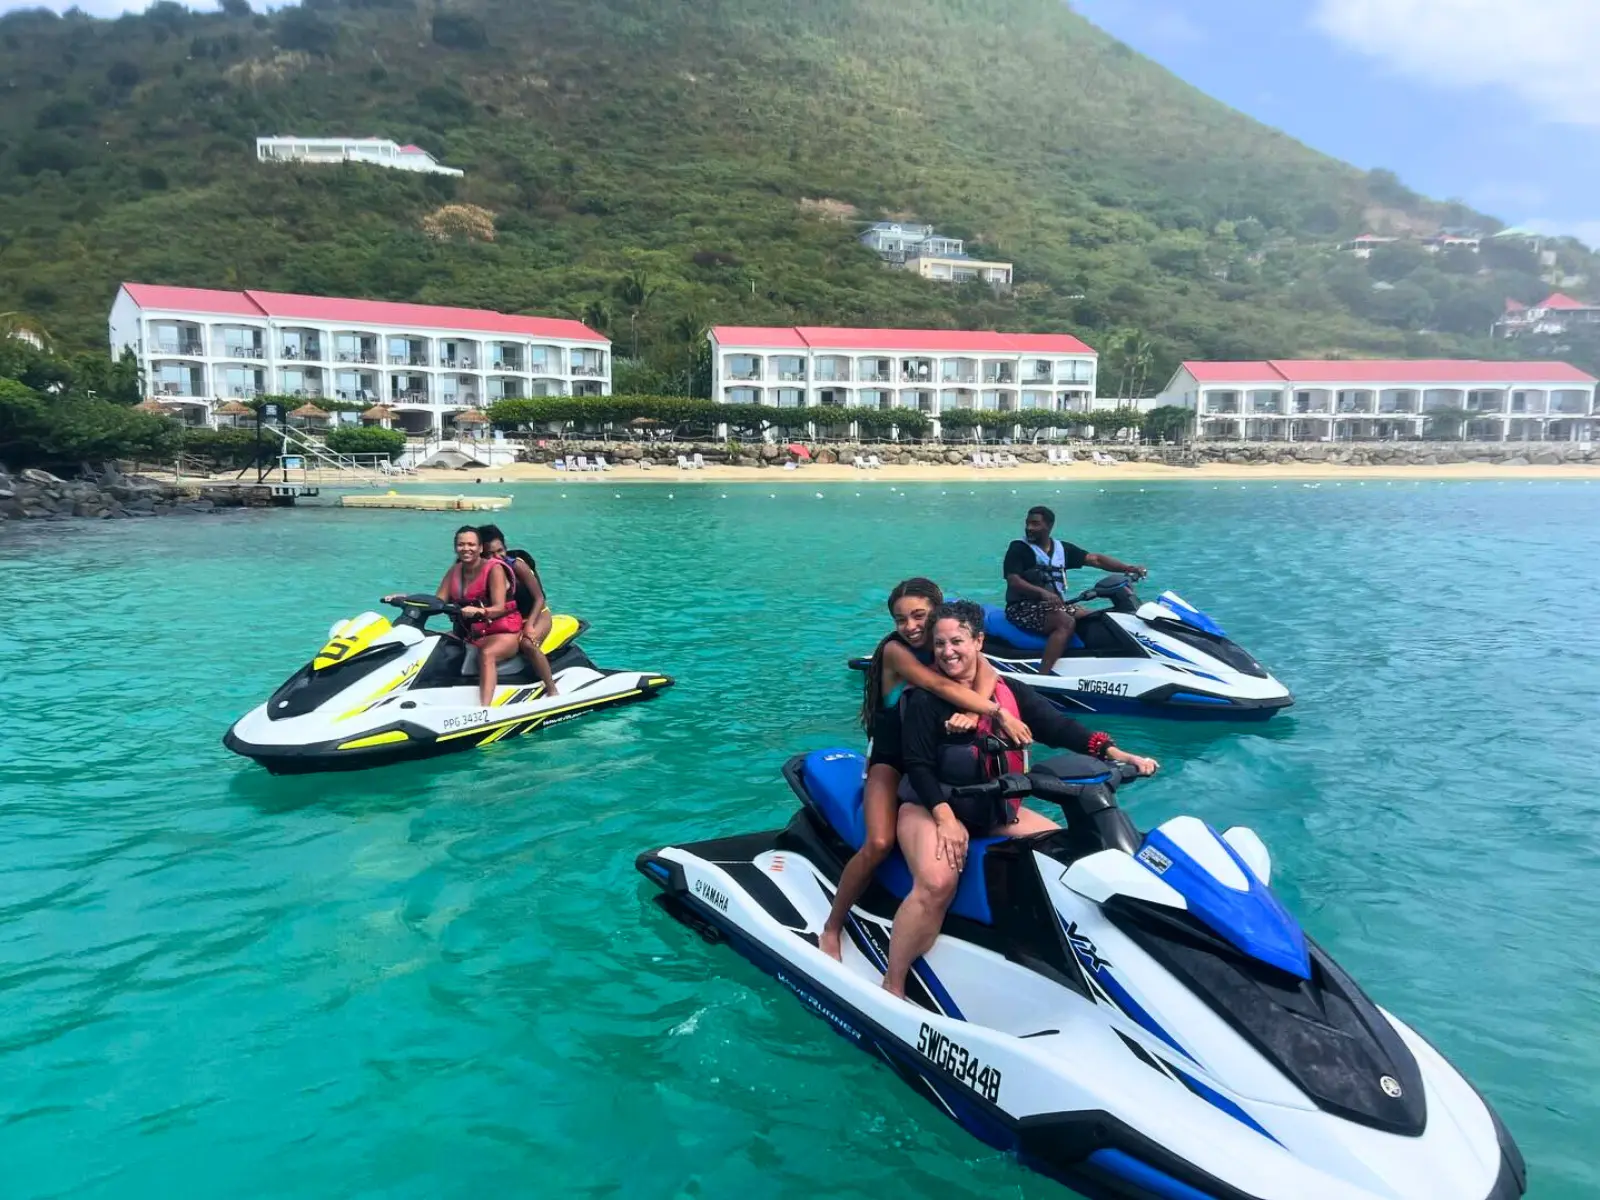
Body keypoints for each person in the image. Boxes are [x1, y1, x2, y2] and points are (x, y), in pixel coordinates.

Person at [882, 601, 1158, 1000]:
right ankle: (892, 982)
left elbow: (1060, 729)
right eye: (939, 644)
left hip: (992, 808)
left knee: (1071, 856)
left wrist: (1120, 756)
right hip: (929, 807)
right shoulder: (925, 700)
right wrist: (944, 819)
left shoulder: (1008, 692)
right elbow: (918, 766)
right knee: (937, 882)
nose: (947, 652)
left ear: (978, 641)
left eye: (957, 641)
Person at [819, 579, 1034, 962]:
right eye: (900, 619)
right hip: (892, 758)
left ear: (937, 612)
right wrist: (995, 711)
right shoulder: (897, 652)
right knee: (879, 843)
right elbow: (936, 684)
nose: (910, 626)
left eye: (919, 616)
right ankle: (833, 926)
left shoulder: (945, 644)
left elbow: (987, 671)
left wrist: (972, 711)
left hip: (935, 760)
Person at [1003, 505, 1148, 675]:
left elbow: (1096, 560)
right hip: (1022, 608)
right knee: (1066, 623)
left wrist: (1128, 568)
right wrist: (1042, 593)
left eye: (1035, 524)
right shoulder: (1018, 549)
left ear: (1049, 526)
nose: (1029, 528)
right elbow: (1014, 581)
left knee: (1099, 617)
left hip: (1054, 607)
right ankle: (1042, 675)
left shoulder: (1061, 549)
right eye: (1028, 523)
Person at [388, 525, 522, 708]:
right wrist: (405, 598)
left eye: (471, 544)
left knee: (486, 654)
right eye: (461, 544)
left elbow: (499, 607)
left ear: (481, 548)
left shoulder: (494, 569)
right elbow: (437, 601)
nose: (466, 548)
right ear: (455, 547)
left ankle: (485, 708)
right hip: (471, 633)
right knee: (435, 643)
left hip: (501, 632)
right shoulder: (455, 571)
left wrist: (481, 611)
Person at [478, 523, 558, 698]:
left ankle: (552, 689)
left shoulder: (517, 566)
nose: (497, 557)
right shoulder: (481, 572)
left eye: (500, 551)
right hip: (509, 621)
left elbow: (539, 598)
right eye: (490, 554)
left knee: (527, 644)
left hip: (537, 614)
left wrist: (529, 626)